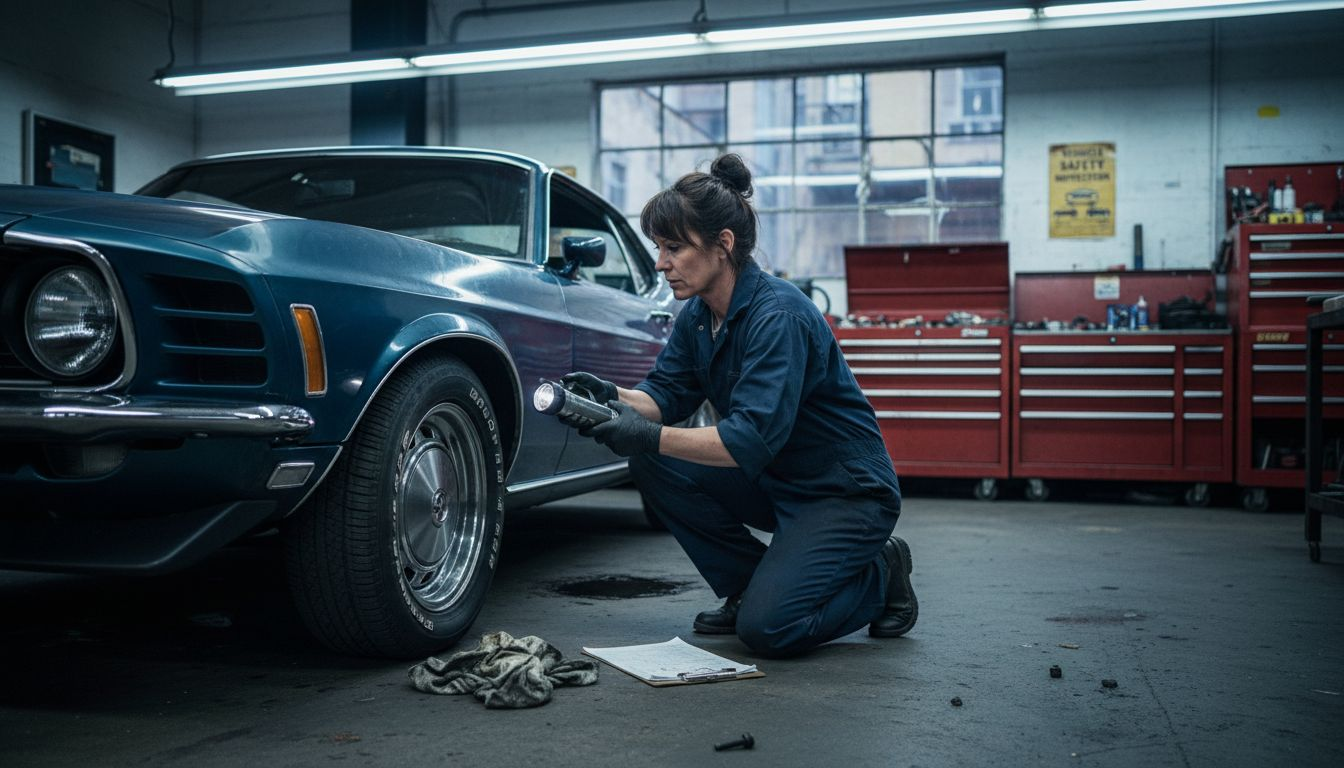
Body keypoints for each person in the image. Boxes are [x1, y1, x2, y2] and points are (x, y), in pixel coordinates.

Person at [560, 154, 916, 658]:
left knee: (770, 630)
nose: (661, 263)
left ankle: (881, 572)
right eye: (659, 248)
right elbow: (664, 394)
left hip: (843, 492)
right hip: (777, 478)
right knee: (652, 459)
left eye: (675, 248)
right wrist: (610, 395)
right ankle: (749, 585)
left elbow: (748, 439)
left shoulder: (780, 316)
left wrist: (647, 433)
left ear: (723, 244)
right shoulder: (700, 315)